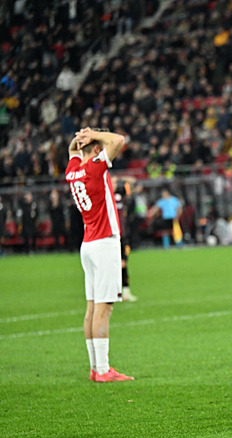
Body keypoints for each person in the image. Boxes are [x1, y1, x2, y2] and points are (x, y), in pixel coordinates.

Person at [65, 127, 133, 382]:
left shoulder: (72, 171)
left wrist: (80, 138)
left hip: (88, 244)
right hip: (104, 243)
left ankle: (96, 368)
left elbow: (72, 150)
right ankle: (103, 370)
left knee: (92, 308)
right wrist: (93, 133)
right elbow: (119, 140)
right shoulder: (95, 168)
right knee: (104, 308)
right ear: (95, 148)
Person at [113, 176, 138, 301]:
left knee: (123, 264)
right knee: (111, 265)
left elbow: (134, 182)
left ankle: (125, 292)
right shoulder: (105, 198)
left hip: (122, 236)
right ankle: (113, 292)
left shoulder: (123, 199)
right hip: (111, 237)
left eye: (116, 182)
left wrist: (122, 178)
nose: (115, 184)